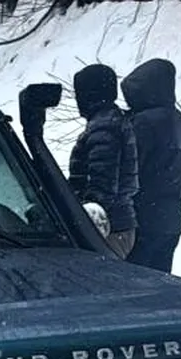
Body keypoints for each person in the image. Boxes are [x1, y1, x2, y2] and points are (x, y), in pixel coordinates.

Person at [120, 58, 181, 273]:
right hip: (171, 218)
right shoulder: (179, 122)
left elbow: (130, 169)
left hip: (143, 216)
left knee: (131, 285)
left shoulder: (143, 123)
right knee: (159, 284)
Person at [68, 63, 139, 258]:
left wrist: (84, 220)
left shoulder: (105, 127)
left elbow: (103, 185)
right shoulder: (110, 122)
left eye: (80, 93)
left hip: (108, 228)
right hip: (114, 224)